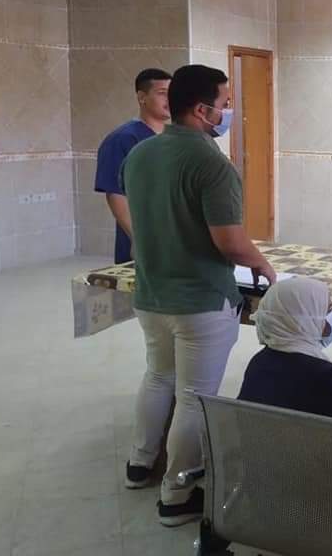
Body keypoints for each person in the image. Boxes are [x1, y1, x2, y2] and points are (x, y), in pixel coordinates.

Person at [122, 64, 276, 527]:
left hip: (151, 294)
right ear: (202, 110)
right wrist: (263, 265)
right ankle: (176, 495)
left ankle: (139, 464)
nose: (228, 112)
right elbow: (230, 241)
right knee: (194, 397)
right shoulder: (212, 165)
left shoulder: (140, 155)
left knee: (158, 376)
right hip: (200, 303)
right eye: (225, 104)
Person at [237, 277, 332, 519]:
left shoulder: (259, 363)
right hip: (323, 498)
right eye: (327, 309)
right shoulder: (324, 375)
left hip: (269, 491)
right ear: (304, 317)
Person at [94, 68, 171, 263]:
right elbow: (116, 195)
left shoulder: (175, 138)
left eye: (173, 93)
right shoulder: (123, 139)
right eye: (162, 93)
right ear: (142, 97)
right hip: (145, 239)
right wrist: (138, 239)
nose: (169, 100)